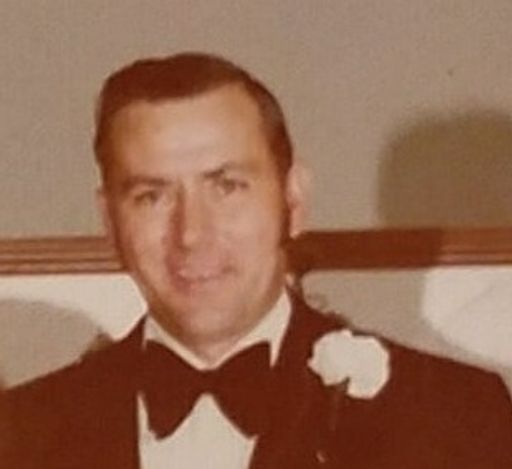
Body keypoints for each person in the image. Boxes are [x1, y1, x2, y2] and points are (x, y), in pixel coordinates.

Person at [2, 52, 512, 469]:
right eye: (151, 196)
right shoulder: (19, 432)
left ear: (293, 200)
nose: (191, 234)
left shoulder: (453, 418)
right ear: (110, 222)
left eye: (227, 187)